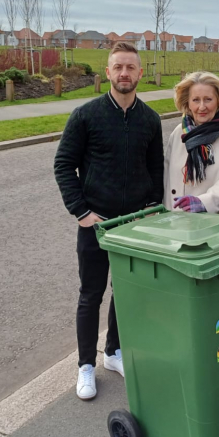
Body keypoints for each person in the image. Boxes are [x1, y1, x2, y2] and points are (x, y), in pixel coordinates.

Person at [53, 42, 164, 400]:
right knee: (91, 294)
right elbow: (63, 165)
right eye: (118, 67)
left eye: (130, 68)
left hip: (133, 225)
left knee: (125, 292)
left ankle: (113, 352)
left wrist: (151, 208)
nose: (124, 74)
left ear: (140, 73)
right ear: (109, 71)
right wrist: (81, 212)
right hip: (96, 225)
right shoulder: (86, 116)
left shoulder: (150, 120)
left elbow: (155, 169)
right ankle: (86, 364)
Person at [163, 71, 219, 214]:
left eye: (208, 99)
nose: (202, 107)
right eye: (196, 100)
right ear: (187, 103)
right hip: (174, 222)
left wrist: (204, 202)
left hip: (210, 223)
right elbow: (167, 175)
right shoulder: (179, 132)